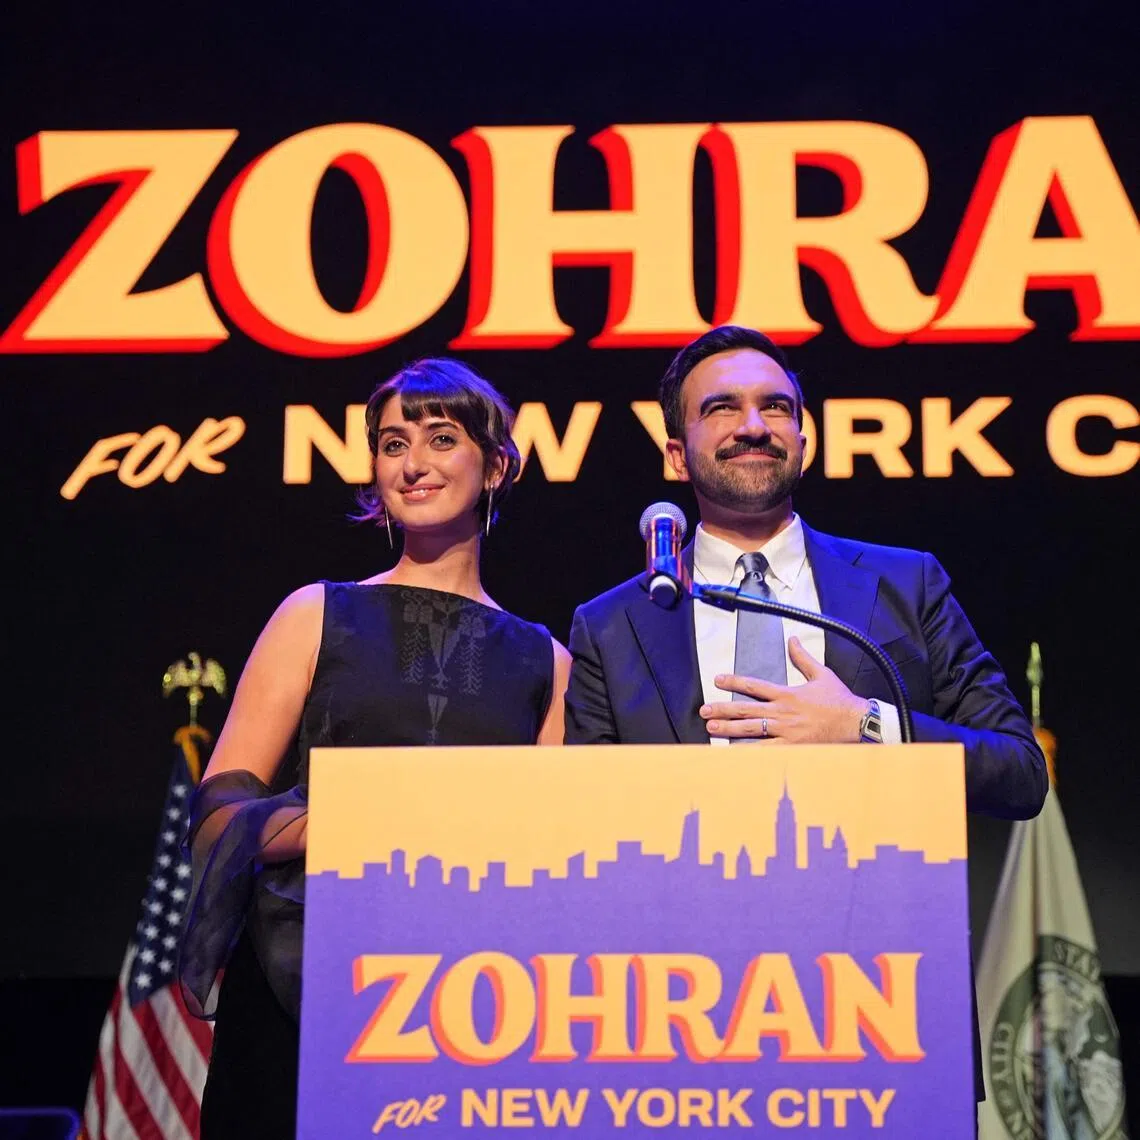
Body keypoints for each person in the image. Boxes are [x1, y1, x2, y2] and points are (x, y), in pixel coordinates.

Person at [179, 358, 570, 1139]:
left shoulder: (546, 659)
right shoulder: (314, 614)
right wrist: (351, 826)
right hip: (301, 975)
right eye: (393, 443)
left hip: (466, 998)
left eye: (441, 438)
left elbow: (555, 851)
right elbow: (221, 812)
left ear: (495, 466)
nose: (413, 463)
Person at [565, 325, 1047, 820]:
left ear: (803, 443)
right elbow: (584, 816)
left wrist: (866, 723)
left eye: (774, 407)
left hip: (872, 889)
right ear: (677, 457)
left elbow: (1019, 775)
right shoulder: (612, 626)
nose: (753, 426)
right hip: (681, 889)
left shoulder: (908, 585)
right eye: (722, 407)